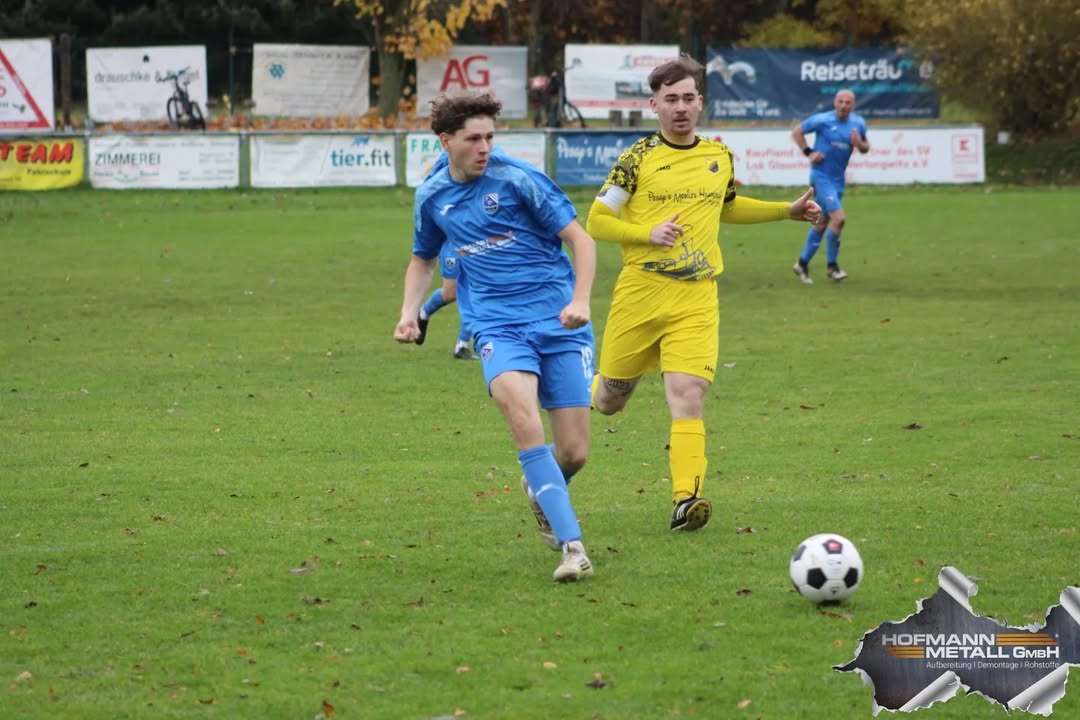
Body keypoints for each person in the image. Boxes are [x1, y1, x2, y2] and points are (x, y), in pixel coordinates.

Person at [585, 57, 820, 532]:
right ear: (654, 105)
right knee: (610, 401)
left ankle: (685, 499)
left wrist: (784, 211)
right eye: (670, 100)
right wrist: (647, 232)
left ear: (700, 103)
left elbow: (726, 207)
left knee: (687, 395)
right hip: (640, 293)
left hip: (696, 297)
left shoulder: (718, 155)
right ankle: (583, 376)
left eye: (688, 98)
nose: (680, 108)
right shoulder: (636, 160)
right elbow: (595, 221)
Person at [394, 93, 599, 582]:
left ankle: (541, 487)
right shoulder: (432, 197)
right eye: (473, 138)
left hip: (559, 321)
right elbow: (422, 259)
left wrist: (581, 301)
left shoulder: (518, 178)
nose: (485, 147)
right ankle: (573, 549)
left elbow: (582, 240)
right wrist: (409, 314)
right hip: (496, 326)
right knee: (524, 421)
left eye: (489, 136)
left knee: (573, 452)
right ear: (446, 141)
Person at [791, 89, 870, 284]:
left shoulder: (858, 123)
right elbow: (797, 132)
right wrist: (809, 152)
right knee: (839, 218)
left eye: (848, 103)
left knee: (821, 222)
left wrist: (860, 143)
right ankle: (832, 267)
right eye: (840, 102)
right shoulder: (822, 120)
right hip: (821, 176)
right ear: (835, 102)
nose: (844, 106)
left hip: (838, 180)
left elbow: (866, 147)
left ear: (853, 105)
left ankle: (801, 263)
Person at [416, 245, 478, 360]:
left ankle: (462, 346)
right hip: (452, 248)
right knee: (450, 293)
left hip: (477, 248)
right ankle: (423, 313)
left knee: (473, 294)